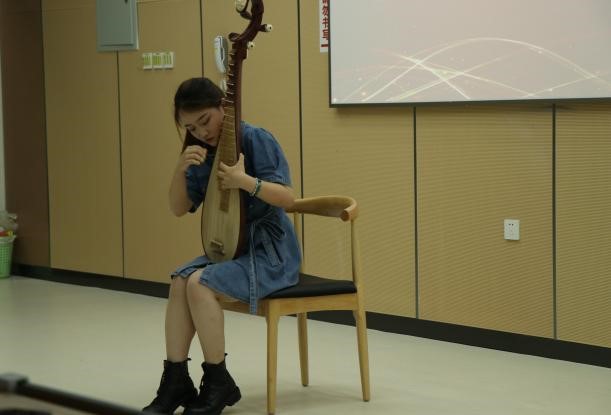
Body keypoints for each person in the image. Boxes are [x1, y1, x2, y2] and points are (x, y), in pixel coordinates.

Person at [143, 77, 301, 415]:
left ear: (223, 108)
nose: (202, 132)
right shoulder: (201, 153)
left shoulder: (254, 138)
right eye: (191, 128)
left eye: (205, 121)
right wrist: (180, 167)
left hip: (271, 253)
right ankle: (176, 379)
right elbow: (178, 208)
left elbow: (288, 198)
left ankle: (218, 380)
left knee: (200, 283)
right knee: (180, 280)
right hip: (233, 249)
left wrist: (245, 182)